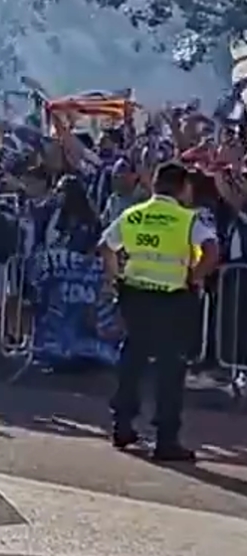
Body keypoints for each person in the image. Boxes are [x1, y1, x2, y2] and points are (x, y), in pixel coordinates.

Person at [99, 161, 221, 461]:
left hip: (136, 295)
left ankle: (122, 425)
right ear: (183, 188)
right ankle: (166, 439)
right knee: (170, 369)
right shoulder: (187, 219)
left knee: (132, 360)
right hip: (172, 299)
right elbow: (212, 249)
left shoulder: (134, 214)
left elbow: (106, 246)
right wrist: (195, 277)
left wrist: (115, 278)